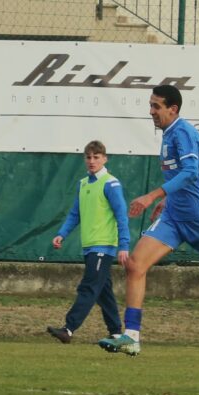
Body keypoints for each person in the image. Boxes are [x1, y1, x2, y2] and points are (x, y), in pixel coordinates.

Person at [98, 85, 199, 356]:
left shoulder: (183, 132)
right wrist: (167, 200)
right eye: (150, 105)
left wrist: (153, 196)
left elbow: (191, 173)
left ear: (172, 109)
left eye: (156, 106)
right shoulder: (168, 134)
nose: (151, 111)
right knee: (135, 265)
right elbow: (189, 175)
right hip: (174, 216)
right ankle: (131, 336)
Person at [47, 140, 130, 344]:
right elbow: (75, 213)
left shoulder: (111, 183)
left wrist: (124, 246)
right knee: (103, 291)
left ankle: (68, 329)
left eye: (96, 157)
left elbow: (122, 215)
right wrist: (62, 234)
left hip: (104, 246)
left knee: (89, 287)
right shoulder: (83, 184)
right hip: (90, 246)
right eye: (88, 157)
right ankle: (117, 333)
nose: (92, 161)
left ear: (105, 158)